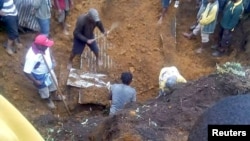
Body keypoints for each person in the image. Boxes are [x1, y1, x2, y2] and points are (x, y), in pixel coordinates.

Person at [23, 34, 63, 109]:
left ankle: (54, 96)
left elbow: (49, 51)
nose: (48, 46)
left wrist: (52, 59)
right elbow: (26, 71)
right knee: (44, 89)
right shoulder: (32, 57)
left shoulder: (44, 47)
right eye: (46, 45)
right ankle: (48, 100)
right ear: (40, 46)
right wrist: (35, 81)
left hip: (49, 70)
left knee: (54, 83)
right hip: (39, 75)